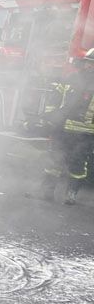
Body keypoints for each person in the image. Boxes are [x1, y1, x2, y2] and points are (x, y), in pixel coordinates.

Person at [37, 48, 94, 205]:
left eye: (92, 64)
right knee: (54, 161)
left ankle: (71, 194)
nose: (89, 67)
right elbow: (55, 99)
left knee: (78, 163)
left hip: (86, 134)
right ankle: (46, 192)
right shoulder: (72, 79)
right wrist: (50, 118)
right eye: (88, 63)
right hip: (62, 130)